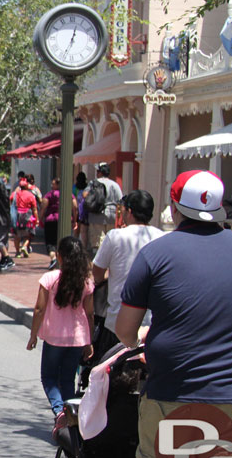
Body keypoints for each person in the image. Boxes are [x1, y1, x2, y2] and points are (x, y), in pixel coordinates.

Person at [116, 170, 232, 458]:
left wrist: (142, 338)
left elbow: (125, 331)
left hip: (174, 400)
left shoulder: (155, 255)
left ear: (175, 208)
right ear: (221, 208)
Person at [90, 189, 163, 361]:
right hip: (150, 325)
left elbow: (97, 272)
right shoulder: (162, 238)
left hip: (117, 323)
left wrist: (105, 280)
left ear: (129, 211)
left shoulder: (115, 236)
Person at [27, 236, 94, 420]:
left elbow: (39, 309)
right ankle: (71, 416)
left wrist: (33, 335)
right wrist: (89, 341)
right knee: (67, 379)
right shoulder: (86, 282)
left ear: (60, 257)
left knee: (48, 377)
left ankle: (59, 411)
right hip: (77, 338)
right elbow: (89, 313)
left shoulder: (50, 278)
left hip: (54, 337)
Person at [83, 162, 122, 253]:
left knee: (98, 243)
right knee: (110, 241)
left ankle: (99, 263)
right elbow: (120, 201)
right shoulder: (114, 185)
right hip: (111, 215)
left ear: (100, 172)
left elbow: (85, 195)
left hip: (96, 215)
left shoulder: (93, 183)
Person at [40, 178, 65, 270]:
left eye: (53, 184)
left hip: (51, 220)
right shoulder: (67, 194)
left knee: (50, 242)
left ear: (58, 185)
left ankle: (53, 257)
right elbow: (74, 205)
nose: (51, 185)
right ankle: (61, 261)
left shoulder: (50, 194)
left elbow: (43, 205)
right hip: (62, 220)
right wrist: (74, 219)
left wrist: (40, 218)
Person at [11, 178, 39, 258]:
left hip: (17, 216)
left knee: (16, 235)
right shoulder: (31, 195)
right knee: (28, 235)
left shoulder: (15, 194)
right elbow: (34, 209)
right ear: (26, 186)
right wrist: (37, 219)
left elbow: (10, 200)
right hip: (28, 217)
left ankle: (17, 252)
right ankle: (24, 246)